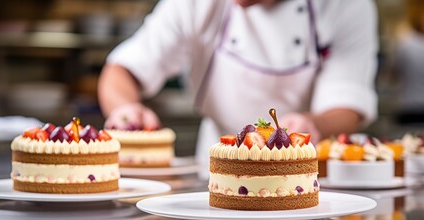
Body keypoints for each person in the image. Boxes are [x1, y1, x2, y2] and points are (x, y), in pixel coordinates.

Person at [98, 0, 379, 178]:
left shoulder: (347, 6)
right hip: (215, 171)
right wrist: (125, 108)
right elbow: (121, 70)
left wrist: (312, 125)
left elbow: (348, 101)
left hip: (299, 177)